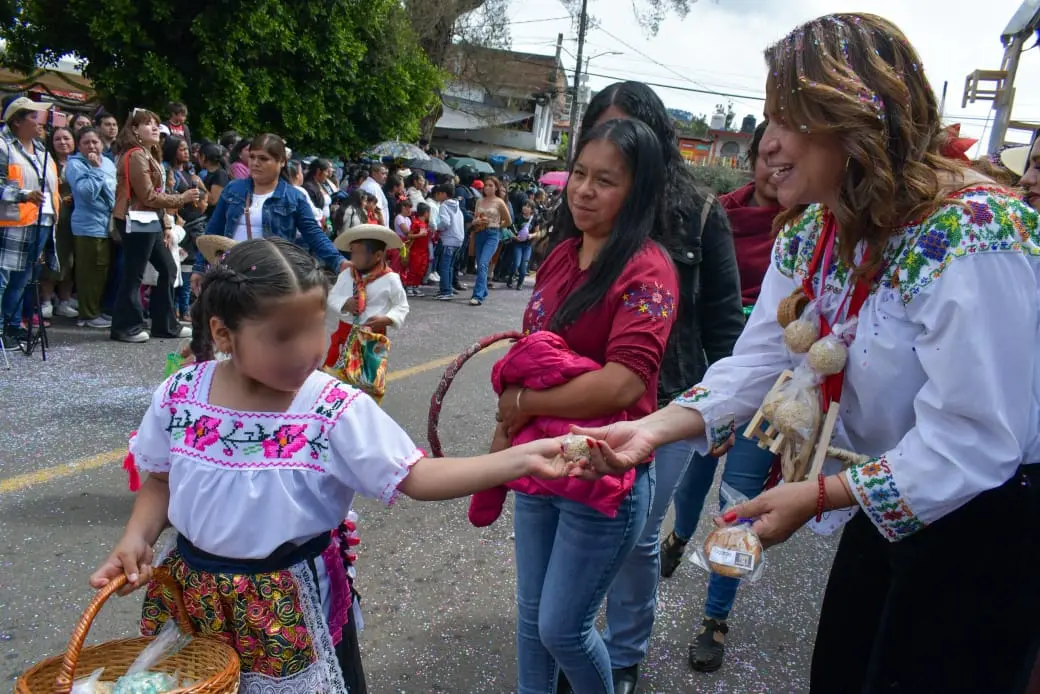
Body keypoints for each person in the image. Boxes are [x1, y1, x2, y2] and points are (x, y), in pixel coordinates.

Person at [573, 13, 1040, 694]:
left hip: (982, 525)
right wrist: (651, 429)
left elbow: (975, 439)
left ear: (854, 120)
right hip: (887, 501)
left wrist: (819, 495)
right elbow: (759, 362)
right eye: (770, 119)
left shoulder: (976, 232)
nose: (769, 142)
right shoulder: (815, 230)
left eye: (789, 120)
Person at [90, 237, 576, 693]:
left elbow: (416, 476)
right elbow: (160, 480)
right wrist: (136, 538)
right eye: (284, 336)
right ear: (223, 333)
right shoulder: (182, 393)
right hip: (193, 595)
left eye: (316, 327)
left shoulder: (332, 407)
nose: (309, 349)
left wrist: (520, 459)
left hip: (291, 605)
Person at [559, 82, 745, 694]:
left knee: (636, 534)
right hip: (581, 394)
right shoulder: (579, 201)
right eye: (599, 136)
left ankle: (624, 651)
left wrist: (723, 414)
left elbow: (722, 320)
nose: (611, 152)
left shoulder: (700, 211)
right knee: (571, 522)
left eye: (627, 137)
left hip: (667, 403)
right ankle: (571, 636)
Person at [495, 118, 679, 694]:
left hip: (604, 470)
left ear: (638, 192)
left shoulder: (649, 268)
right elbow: (534, 348)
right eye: (580, 173)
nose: (584, 190)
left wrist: (525, 401)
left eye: (606, 180)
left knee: (563, 629)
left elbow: (624, 384)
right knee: (532, 620)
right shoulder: (559, 256)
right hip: (541, 459)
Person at [654, 119, 784, 675]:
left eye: (792, 154)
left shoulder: (821, 229)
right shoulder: (715, 216)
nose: (779, 168)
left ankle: (715, 617)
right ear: (752, 158)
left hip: (776, 388)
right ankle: (681, 535)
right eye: (770, 154)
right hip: (717, 372)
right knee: (693, 477)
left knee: (741, 499)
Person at [192, 134, 347, 292]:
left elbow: (314, 234)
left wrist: (339, 261)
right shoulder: (233, 189)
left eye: (263, 158)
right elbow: (213, 230)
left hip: (272, 277)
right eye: (252, 157)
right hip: (231, 274)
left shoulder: (294, 197)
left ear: (282, 162)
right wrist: (199, 268)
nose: (255, 163)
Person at [110, 108, 199, 344]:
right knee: (134, 274)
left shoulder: (147, 153)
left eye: (156, 123)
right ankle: (125, 327)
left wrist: (166, 224)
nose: (154, 127)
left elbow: (155, 194)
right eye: (147, 123)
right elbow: (148, 195)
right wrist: (182, 198)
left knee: (168, 268)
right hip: (136, 218)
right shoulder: (136, 155)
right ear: (134, 129)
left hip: (150, 220)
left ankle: (165, 324)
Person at [325, 225, 409, 402]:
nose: (353, 257)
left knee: (367, 384)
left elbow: (401, 306)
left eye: (358, 253)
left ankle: (363, 409)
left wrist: (387, 319)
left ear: (377, 255)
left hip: (371, 339)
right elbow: (332, 297)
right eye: (352, 251)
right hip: (344, 336)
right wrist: (344, 303)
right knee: (334, 381)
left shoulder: (391, 279)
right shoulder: (347, 275)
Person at [65, 127, 117, 329]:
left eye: (95, 142)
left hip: (107, 225)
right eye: (86, 143)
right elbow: (87, 193)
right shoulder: (75, 165)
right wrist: (95, 169)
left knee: (102, 270)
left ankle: (96, 309)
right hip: (88, 226)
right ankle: (87, 314)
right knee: (89, 272)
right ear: (79, 146)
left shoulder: (109, 163)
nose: (91, 146)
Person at [470, 176, 512, 306]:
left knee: (483, 263)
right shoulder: (479, 201)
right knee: (480, 264)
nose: (487, 188)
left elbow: (508, 221)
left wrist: (497, 225)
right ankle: (483, 291)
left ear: (496, 187)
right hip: (479, 232)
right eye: (486, 185)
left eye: (491, 185)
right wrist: (476, 221)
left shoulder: (499, 202)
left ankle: (477, 295)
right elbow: (475, 217)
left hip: (493, 234)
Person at [433, 184, 464, 301]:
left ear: (444, 194)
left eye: (439, 194)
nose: (437, 196)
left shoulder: (444, 206)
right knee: (450, 267)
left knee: (444, 267)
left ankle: (446, 291)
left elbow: (445, 222)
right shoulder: (457, 205)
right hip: (458, 240)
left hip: (448, 239)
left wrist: (437, 227)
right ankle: (447, 288)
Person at [404, 202, 431, 297]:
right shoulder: (415, 223)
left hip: (424, 251)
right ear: (425, 213)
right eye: (429, 212)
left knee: (421, 269)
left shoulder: (425, 224)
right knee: (413, 269)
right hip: (416, 251)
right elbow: (409, 235)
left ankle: (416, 286)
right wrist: (420, 234)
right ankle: (409, 286)